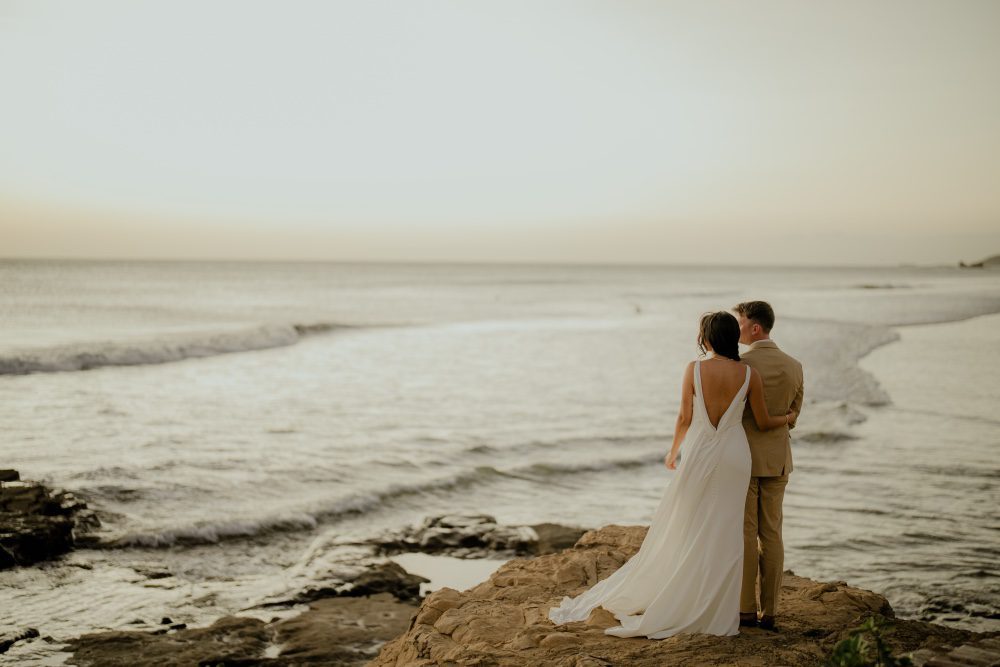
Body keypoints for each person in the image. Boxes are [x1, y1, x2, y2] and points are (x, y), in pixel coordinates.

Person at [547, 311, 796, 638]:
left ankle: (688, 592)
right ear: (732, 337)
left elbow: (683, 417)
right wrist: (789, 417)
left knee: (688, 522)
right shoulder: (749, 375)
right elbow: (764, 422)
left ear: (707, 337)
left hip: (700, 452)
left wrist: (673, 451)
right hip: (736, 456)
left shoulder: (694, 369)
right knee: (727, 530)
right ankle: (725, 607)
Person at [733, 301, 804, 632]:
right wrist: (784, 419)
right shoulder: (795, 366)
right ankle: (771, 612)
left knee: (747, 534)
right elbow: (793, 416)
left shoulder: (741, 365)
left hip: (744, 460)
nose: (738, 329)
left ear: (755, 327)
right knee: (772, 534)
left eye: (741, 322)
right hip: (777, 461)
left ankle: (746, 610)